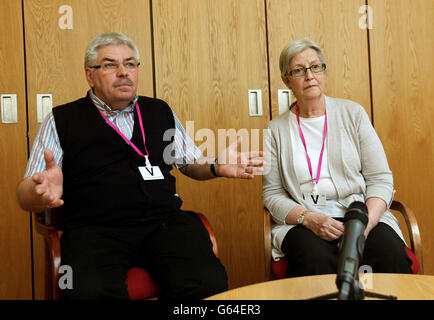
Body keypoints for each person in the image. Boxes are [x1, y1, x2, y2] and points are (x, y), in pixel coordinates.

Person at [17, 32, 264, 300]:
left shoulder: (159, 110)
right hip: (95, 229)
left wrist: (215, 165)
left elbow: (189, 163)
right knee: (88, 291)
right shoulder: (61, 119)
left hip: (164, 223)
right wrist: (39, 192)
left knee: (207, 280)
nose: (123, 72)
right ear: (90, 75)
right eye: (110, 65)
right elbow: (24, 193)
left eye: (131, 64)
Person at [262, 39, 412, 277]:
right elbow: (272, 194)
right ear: (286, 79)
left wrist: (364, 224)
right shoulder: (275, 130)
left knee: (388, 253)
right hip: (306, 219)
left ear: (324, 71)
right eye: (299, 70)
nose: (310, 75)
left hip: (360, 212)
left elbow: (381, 179)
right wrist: (309, 218)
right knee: (313, 260)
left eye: (315, 67)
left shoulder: (353, 114)